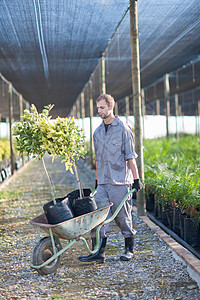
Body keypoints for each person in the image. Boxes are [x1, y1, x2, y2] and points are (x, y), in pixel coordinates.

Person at [79, 94, 142, 263]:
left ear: (110, 107)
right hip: (104, 183)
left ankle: (129, 249)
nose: (99, 111)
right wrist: (98, 180)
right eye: (97, 108)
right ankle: (98, 252)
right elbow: (98, 159)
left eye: (102, 107)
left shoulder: (123, 129)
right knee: (98, 217)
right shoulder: (97, 133)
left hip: (121, 181)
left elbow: (130, 157)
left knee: (122, 217)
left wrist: (136, 180)